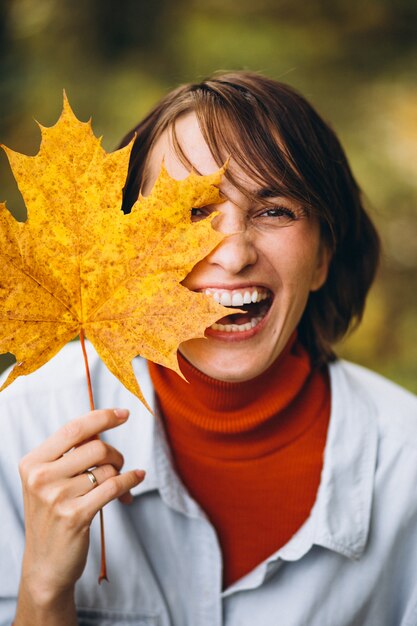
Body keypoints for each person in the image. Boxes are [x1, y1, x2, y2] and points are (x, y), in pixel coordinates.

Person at [1, 71, 417, 626]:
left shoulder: (406, 463)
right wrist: (45, 592)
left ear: (321, 258)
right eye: (193, 209)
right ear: (123, 247)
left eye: (275, 210)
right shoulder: (20, 427)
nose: (233, 253)